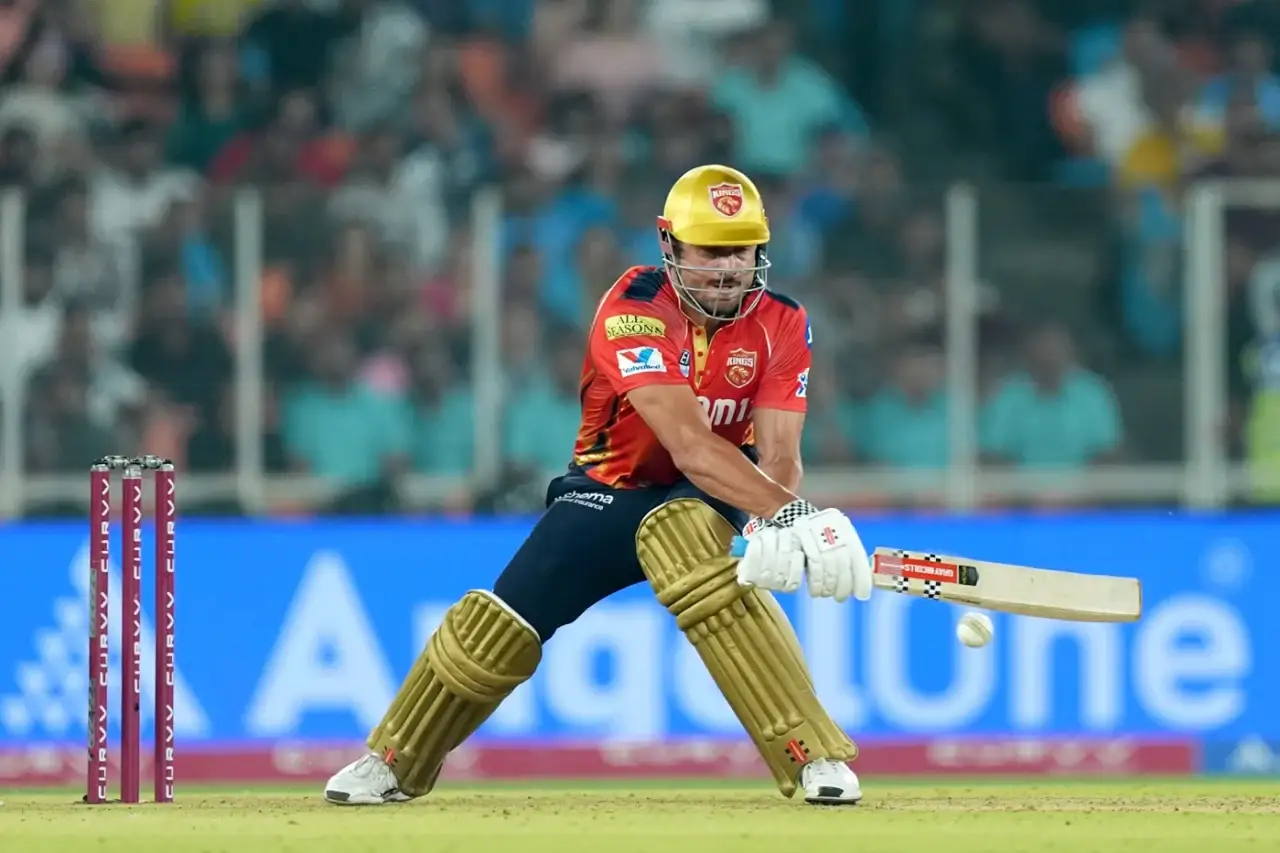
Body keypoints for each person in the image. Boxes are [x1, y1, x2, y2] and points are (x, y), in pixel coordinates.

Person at [322, 165, 873, 807]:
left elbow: (779, 454)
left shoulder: (783, 320)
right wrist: (794, 515)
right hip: (611, 485)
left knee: (684, 547)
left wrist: (767, 518)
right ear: (669, 244)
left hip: (711, 490)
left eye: (741, 249)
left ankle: (813, 755)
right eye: (710, 250)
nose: (728, 269)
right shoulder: (633, 309)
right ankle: (393, 760)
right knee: (498, 624)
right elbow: (688, 443)